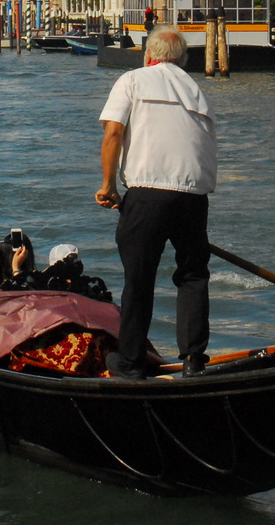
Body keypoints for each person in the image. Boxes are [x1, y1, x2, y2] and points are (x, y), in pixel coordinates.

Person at [97, 24, 217, 379]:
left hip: (148, 194)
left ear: (148, 56)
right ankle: (194, 359)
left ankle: (130, 363)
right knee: (193, 274)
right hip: (194, 196)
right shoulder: (197, 91)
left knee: (139, 277)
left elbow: (113, 132)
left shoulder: (132, 80)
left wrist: (107, 186)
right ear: (182, 61)